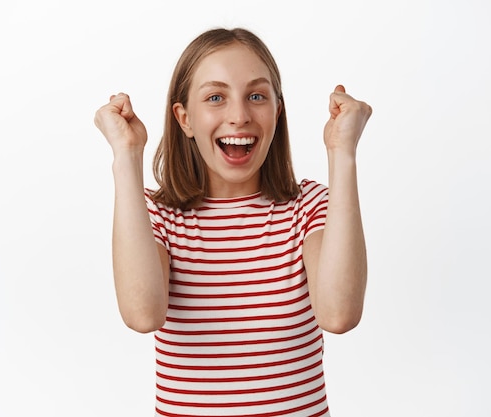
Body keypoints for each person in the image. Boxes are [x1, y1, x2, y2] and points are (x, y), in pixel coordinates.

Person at [94, 27, 371, 417]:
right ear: (184, 118)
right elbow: (142, 315)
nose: (239, 116)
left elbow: (339, 314)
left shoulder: (309, 207)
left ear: (277, 111)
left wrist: (342, 152)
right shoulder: (155, 215)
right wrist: (126, 154)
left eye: (256, 96)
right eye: (215, 98)